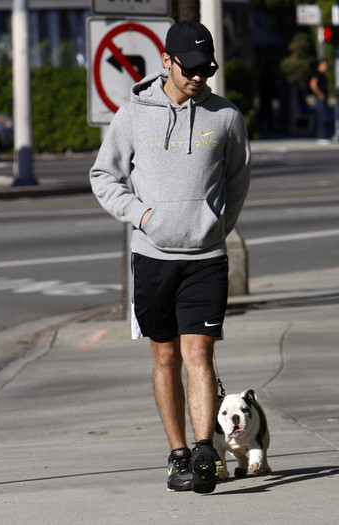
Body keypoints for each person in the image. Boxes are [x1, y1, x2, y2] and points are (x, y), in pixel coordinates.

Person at [89, 21, 251, 494]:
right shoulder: (135, 114)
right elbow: (104, 176)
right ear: (167, 61)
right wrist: (140, 215)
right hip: (152, 256)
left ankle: (204, 452)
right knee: (165, 358)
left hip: (206, 256)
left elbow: (238, 179)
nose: (201, 76)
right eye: (192, 67)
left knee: (198, 352)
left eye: (209, 68)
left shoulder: (226, 117)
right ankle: (178, 453)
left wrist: (217, 225)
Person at [309, 59, 330, 142]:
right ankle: (321, 136)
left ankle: (323, 136)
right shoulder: (316, 74)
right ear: (319, 65)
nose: (325, 67)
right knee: (322, 118)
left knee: (324, 117)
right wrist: (320, 94)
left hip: (323, 99)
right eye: (324, 65)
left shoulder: (322, 75)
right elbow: (312, 85)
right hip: (319, 99)